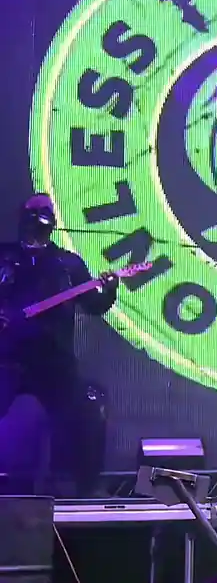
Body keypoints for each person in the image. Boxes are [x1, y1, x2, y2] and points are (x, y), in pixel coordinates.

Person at [0, 193, 119, 496]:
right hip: (8, 357)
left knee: (79, 416)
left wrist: (109, 291)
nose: (37, 221)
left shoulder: (68, 264)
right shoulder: (4, 256)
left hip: (54, 361)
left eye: (44, 214)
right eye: (32, 213)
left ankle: (76, 488)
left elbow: (94, 305)